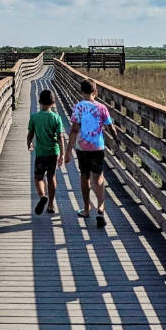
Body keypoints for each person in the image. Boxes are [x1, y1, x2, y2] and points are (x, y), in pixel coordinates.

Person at [64, 79, 114, 227]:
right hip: (98, 147)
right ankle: (100, 207)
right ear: (95, 92)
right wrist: (117, 140)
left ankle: (86, 209)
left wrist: (67, 152)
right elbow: (110, 126)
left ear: (81, 92)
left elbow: (74, 130)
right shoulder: (102, 107)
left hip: (82, 148)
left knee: (85, 176)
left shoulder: (78, 107)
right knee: (98, 176)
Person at [26, 88, 65, 215]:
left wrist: (29, 144)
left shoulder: (34, 117)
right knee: (51, 176)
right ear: (53, 103)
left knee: (38, 178)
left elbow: (30, 134)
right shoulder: (57, 118)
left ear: (39, 102)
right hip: (54, 152)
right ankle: (51, 205)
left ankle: (43, 195)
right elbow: (60, 137)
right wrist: (62, 154)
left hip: (41, 153)